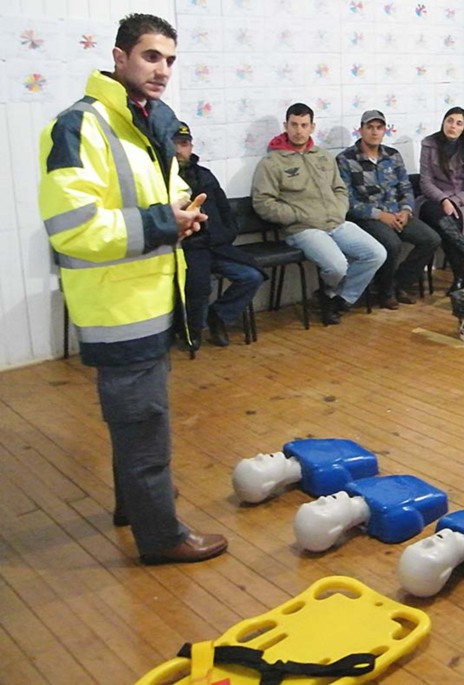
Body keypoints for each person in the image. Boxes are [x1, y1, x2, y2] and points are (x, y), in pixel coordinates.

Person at [38, 13, 227, 565]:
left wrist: (184, 214)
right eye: (150, 56)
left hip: (149, 297)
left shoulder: (145, 122)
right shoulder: (77, 126)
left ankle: (134, 507)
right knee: (145, 426)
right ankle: (161, 537)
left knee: (137, 419)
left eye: (169, 59)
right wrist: (165, 223)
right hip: (118, 306)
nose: (162, 69)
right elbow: (73, 226)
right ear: (118, 57)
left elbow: (164, 196)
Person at [251, 103, 386, 325]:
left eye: (304, 125)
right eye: (294, 125)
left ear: (312, 127)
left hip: (335, 222)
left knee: (376, 253)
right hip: (303, 229)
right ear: (286, 125)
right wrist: (294, 215)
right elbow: (262, 201)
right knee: (337, 266)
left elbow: (340, 189)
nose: (298, 130)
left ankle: (337, 297)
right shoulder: (272, 162)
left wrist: (338, 209)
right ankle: (331, 296)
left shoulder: (322, 156)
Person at [337, 110, 441, 309]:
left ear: (385, 130)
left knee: (431, 239)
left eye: (379, 128)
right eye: (369, 128)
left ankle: (398, 284)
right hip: (367, 217)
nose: (374, 132)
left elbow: (405, 187)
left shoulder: (392, 156)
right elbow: (347, 201)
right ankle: (385, 293)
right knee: (392, 243)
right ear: (360, 130)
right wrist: (380, 215)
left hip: (397, 213)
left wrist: (406, 210)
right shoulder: (346, 159)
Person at [174, 122, 266, 348]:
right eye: (174, 144)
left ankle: (219, 317)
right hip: (188, 248)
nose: (179, 150)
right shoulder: (159, 180)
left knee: (251, 275)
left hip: (216, 244)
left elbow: (225, 210)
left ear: (191, 146)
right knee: (199, 287)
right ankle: (192, 332)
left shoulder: (205, 175)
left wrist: (227, 233)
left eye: (184, 144)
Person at [418, 106, 464, 294]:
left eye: (458, 123)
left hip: (462, 201)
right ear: (443, 122)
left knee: (449, 220)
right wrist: (444, 199)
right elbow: (425, 181)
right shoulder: (429, 144)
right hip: (433, 197)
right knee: (436, 212)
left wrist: (454, 201)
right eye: (450, 121)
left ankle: (460, 276)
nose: (453, 126)